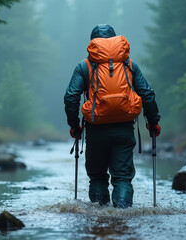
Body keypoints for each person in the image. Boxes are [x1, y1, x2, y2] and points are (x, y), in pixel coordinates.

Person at [64, 24, 161, 208]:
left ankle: (100, 219)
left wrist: (74, 125)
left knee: (98, 177)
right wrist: (153, 121)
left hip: (96, 130)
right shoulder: (129, 64)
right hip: (124, 128)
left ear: (93, 43)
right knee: (123, 177)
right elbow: (147, 94)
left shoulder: (84, 66)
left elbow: (71, 97)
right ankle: (122, 214)